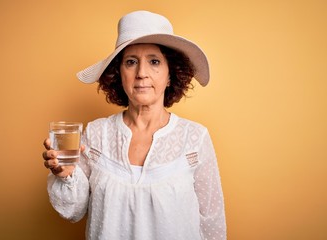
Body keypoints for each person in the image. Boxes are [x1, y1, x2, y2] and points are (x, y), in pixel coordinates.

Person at [42, 10, 226, 240]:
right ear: (119, 73)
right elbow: (74, 210)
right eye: (131, 62)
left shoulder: (195, 138)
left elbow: (212, 223)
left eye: (154, 61)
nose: (141, 73)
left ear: (170, 75)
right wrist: (66, 175)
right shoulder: (96, 134)